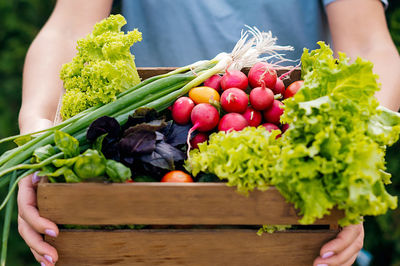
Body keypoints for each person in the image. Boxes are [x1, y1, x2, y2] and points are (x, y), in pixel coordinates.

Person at [17, 0, 400, 265]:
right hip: (152, 174)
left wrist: (350, 157)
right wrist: (38, 139)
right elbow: (68, 29)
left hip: (288, 205)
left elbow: (368, 45)